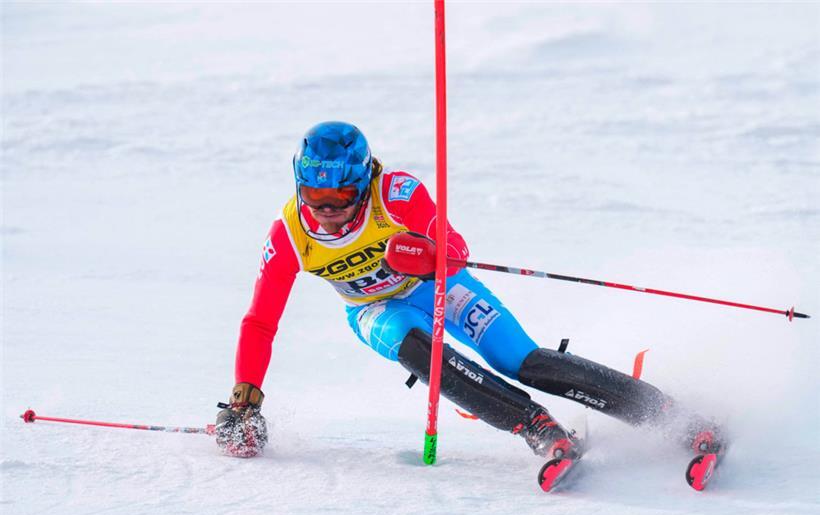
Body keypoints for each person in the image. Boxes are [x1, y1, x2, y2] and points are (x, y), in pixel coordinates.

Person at [215, 121, 721, 464]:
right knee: (419, 351)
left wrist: (434, 254)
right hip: (373, 309)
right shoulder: (289, 235)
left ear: (363, 184)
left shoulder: (397, 194)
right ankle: (537, 428)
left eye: (340, 197)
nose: (326, 210)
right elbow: (261, 321)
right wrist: (244, 401)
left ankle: (674, 418)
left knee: (522, 360)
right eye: (315, 196)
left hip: (438, 285)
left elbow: (453, 244)